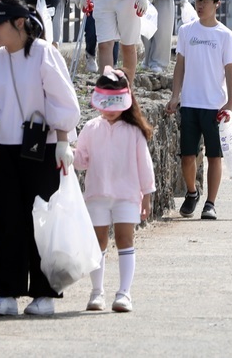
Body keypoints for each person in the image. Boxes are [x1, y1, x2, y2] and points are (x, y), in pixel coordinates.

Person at [0, 0, 82, 317]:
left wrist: (64, 141)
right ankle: (5, 293)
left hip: (43, 147)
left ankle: (45, 294)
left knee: (42, 220)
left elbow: (63, 103)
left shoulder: (44, 54)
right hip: (6, 147)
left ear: (20, 22)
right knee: (6, 221)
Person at [75, 67, 155, 313]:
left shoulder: (133, 132)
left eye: (114, 102)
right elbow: (81, 160)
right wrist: (71, 154)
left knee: (124, 240)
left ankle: (124, 293)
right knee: (98, 241)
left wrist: (147, 196)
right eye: (105, 103)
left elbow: (144, 164)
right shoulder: (90, 127)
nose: (109, 109)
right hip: (97, 194)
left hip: (127, 195)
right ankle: (97, 292)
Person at [165, 0, 232, 220]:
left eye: (205, 0)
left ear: (217, 4)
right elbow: (180, 65)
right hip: (190, 103)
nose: (200, 4)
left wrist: (230, 102)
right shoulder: (186, 31)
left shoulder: (225, 35)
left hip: (214, 105)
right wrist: (175, 96)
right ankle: (192, 192)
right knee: (188, 155)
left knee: (213, 156)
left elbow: (230, 70)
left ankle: (210, 203)